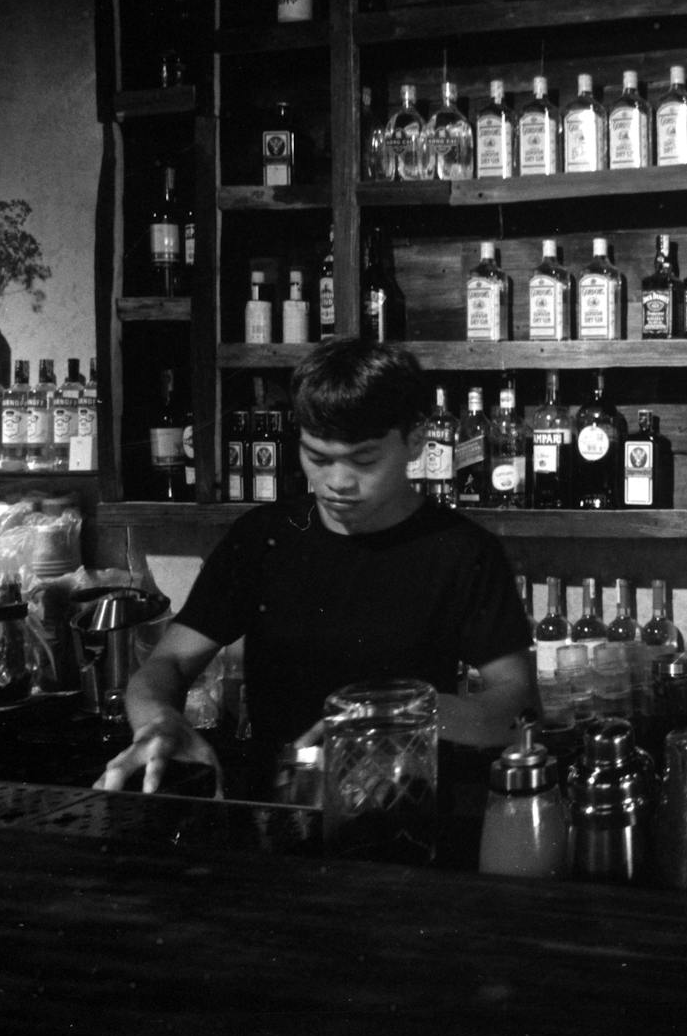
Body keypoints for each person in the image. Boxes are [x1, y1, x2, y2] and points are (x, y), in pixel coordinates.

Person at [98, 339, 534, 795]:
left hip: (402, 813)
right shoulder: (263, 538)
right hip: (278, 811)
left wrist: (398, 713)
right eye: (318, 458)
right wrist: (157, 721)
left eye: (364, 459)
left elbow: (517, 710)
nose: (338, 482)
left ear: (415, 442)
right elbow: (167, 662)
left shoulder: (462, 551)